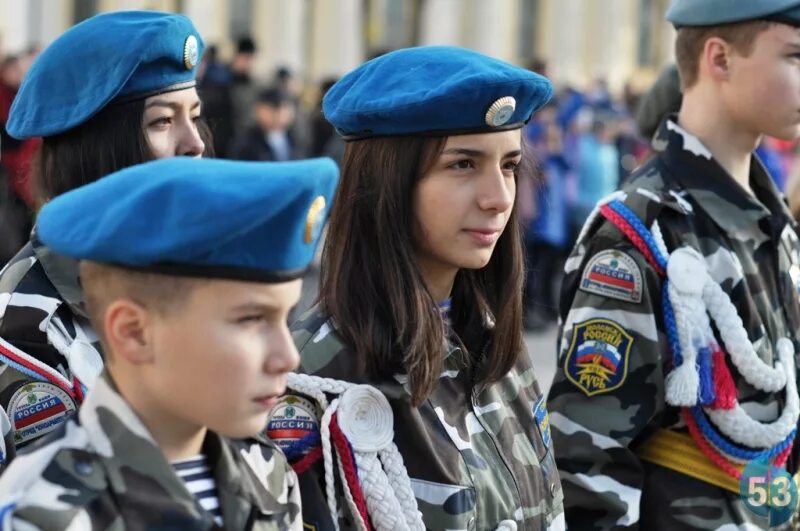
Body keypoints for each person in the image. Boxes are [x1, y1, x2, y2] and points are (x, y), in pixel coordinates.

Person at [267, 45, 564, 530]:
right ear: (389, 182)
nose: (499, 197)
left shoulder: (489, 344)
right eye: (464, 165)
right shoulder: (314, 381)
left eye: (509, 165)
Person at [548, 1, 800, 528]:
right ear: (719, 59)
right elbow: (589, 469)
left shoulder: (770, 222)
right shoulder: (643, 234)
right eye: (795, 56)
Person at [0, 156, 338, 529]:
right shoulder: (41, 512)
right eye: (251, 320)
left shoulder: (266, 471)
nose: (287, 357)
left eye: (285, 317)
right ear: (134, 332)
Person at [0, 10, 210, 465]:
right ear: (98, 151)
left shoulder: (209, 281)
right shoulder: (20, 325)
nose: (195, 143)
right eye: (162, 122)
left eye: (194, 116)